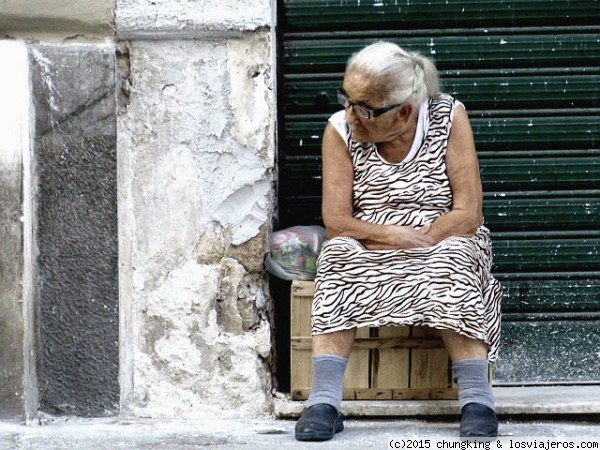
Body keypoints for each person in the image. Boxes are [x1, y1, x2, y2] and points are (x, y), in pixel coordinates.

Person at [294, 41, 503, 441]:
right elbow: (337, 220)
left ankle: (478, 400)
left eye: (365, 109)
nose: (351, 115)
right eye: (347, 99)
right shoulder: (340, 130)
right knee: (337, 256)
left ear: (404, 112)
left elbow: (469, 211)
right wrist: (391, 235)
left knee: (455, 257)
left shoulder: (449, 117)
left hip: (444, 235)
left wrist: (426, 238)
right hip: (370, 238)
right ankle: (324, 401)